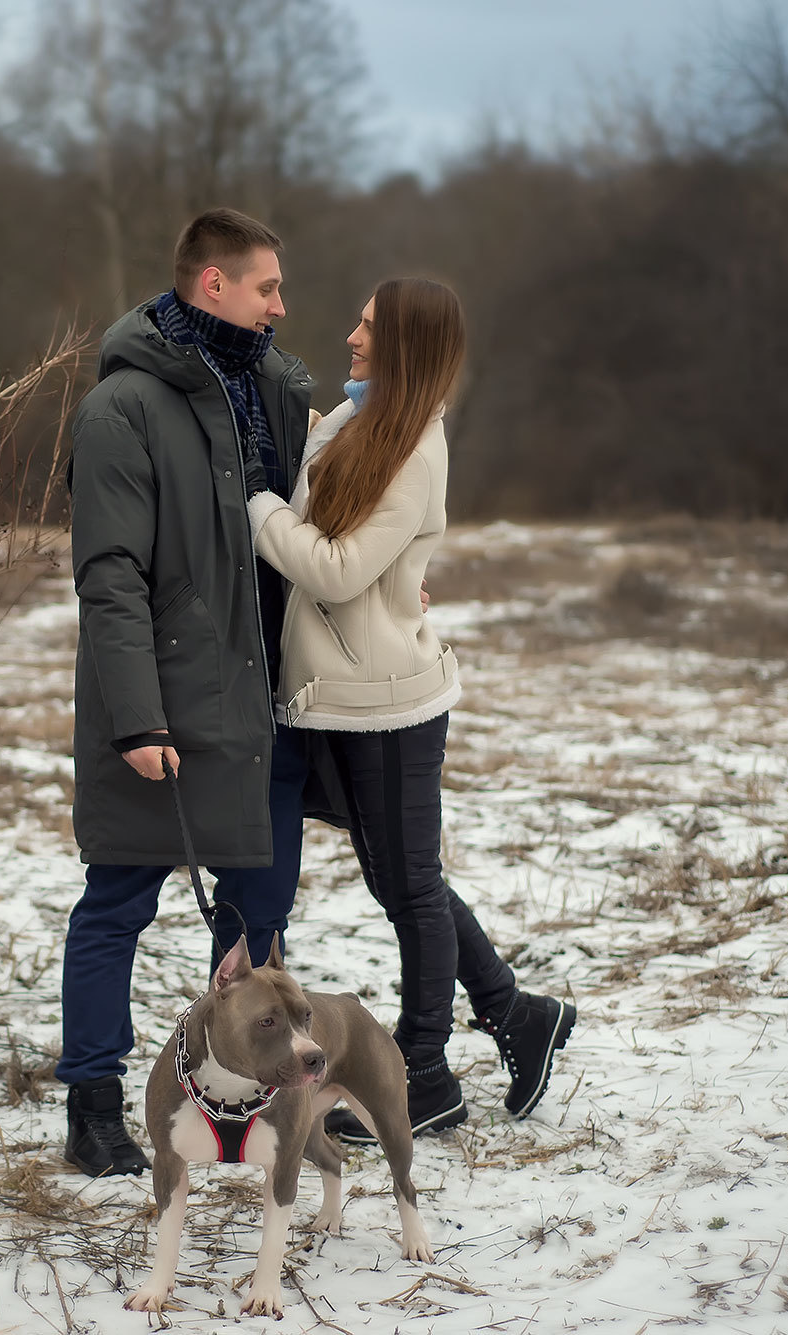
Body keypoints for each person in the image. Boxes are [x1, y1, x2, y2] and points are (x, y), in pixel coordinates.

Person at [246, 278, 577, 1137]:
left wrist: (258, 509)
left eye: (367, 327)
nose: (350, 336)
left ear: (404, 346)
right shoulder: (360, 418)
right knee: (403, 878)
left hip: (389, 705)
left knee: (411, 888)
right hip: (348, 696)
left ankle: (423, 1072)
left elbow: (335, 568)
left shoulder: (415, 447)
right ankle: (517, 1014)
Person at [59, 209, 316, 1176]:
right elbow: (110, 574)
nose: (283, 308)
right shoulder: (122, 409)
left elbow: (320, 520)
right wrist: (136, 715)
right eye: (268, 289)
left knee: (259, 915)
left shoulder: (274, 391)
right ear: (214, 284)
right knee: (118, 898)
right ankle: (93, 1107)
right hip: (160, 706)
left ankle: (260, 1104)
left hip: (261, 704)